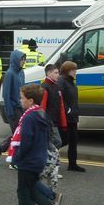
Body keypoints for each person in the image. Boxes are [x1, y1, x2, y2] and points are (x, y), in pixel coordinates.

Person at [6, 84, 67, 205]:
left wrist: (16, 157)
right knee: (31, 189)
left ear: (31, 100)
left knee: (23, 192)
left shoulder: (29, 117)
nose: (20, 101)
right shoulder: (42, 114)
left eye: (22, 98)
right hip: (39, 158)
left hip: (28, 160)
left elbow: (26, 141)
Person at [0, 50, 26, 164]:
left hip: (21, 108)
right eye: (21, 59)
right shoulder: (10, 73)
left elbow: (23, 91)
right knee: (19, 135)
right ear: (15, 60)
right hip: (12, 108)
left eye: (24, 59)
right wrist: (9, 111)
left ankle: (0, 148)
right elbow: (6, 94)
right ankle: (15, 160)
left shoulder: (21, 73)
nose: (23, 61)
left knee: (19, 134)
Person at [39, 63, 66, 194]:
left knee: (53, 145)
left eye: (58, 73)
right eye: (55, 72)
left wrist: (63, 121)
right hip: (48, 122)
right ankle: (49, 166)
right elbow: (42, 107)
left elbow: (60, 105)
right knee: (57, 143)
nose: (58, 75)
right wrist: (43, 121)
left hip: (54, 121)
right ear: (48, 73)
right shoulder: (45, 87)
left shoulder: (56, 87)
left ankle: (51, 166)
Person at [59, 61, 85, 172]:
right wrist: (67, 110)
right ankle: (47, 158)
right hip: (66, 117)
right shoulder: (61, 81)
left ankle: (72, 164)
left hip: (73, 117)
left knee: (73, 141)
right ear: (67, 70)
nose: (75, 72)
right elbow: (59, 97)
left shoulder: (71, 82)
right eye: (73, 70)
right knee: (62, 140)